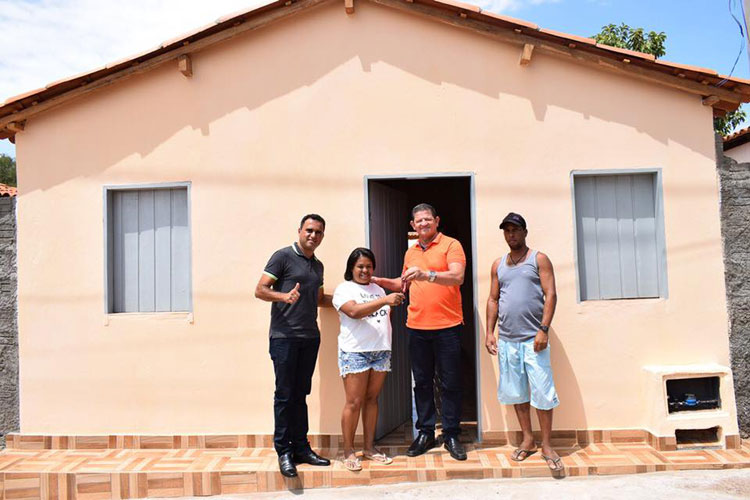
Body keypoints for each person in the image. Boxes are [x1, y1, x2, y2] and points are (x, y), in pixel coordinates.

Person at [372, 203, 468, 461]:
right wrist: (378, 281)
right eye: (419, 221)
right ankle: (425, 432)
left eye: (428, 219)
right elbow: (403, 285)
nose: (424, 224)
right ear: (413, 226)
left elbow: (457, 276)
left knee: (451, 384)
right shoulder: (411, 253)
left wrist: (427, 274)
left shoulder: (451, 245)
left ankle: (450, 434)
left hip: (448, 326)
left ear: (436, 220)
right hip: (417, 328)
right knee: (422, 384)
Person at [254, 214, 333, 478]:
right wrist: (283, 296)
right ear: (300, 230)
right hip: (284, 337)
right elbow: (260, 289)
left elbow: (319, 298)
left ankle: (301, 448)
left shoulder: (318, 266)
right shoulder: (282, 256)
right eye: (309, 230)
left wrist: (354, 298)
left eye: (318, 232)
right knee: (285, 396)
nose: (313, 235)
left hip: (310, 338)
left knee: (301, 395)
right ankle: (284, 452)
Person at [485, 212, 563, 472]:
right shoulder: (498, 265)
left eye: (516, 230)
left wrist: (544, 329)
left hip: (534, 340)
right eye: (507, 231)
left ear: (525, 232)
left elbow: (550, 294)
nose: (511, 235)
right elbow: (493, 299)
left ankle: (547, 444)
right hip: (508, 341)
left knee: (542, 392)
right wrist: (489, 332)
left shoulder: (538, 259)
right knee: (517, 393)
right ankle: (528, 439)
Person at [332, 248, 405, 471]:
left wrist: (386, 300)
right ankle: (348, 451)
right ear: (351, 268)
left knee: (372, 400)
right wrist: (385, 301)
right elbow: (354, 312)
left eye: (368, 266)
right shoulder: (344, 289)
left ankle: (370, 448)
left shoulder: (378, 289)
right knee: (353, 402)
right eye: (360, 266)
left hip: (380, 351)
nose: (365, 270)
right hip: (355, 352)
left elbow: (384, 316)